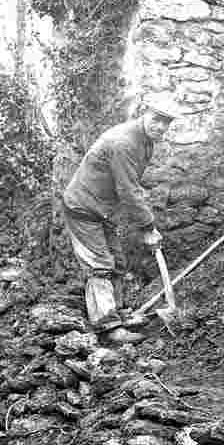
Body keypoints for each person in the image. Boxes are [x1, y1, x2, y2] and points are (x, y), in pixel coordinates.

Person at [62, 102, 176, 330]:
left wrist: (145, 222)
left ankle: (118, 311)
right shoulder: (124, 142)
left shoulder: (145, 142)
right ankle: (108, 326)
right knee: (99, 266)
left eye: (166, 122)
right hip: (83, 208)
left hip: (102, 210)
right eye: (157, 118)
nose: (161, 126)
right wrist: (147, 226)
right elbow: (128, 190)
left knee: (118, 262)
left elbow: (130, 183)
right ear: (144, 113)